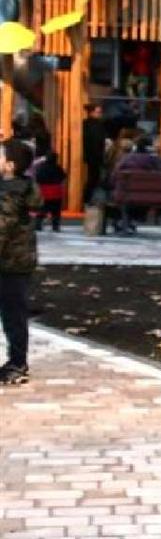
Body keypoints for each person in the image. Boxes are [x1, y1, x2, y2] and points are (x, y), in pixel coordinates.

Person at [0, 139, 42, 385]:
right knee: (12, 313)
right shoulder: (13, 189)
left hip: (11, 263)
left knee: (13, 314)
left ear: (10, 165)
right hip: (15, 262)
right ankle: (16, 361)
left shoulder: (10, 195)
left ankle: (18, 363)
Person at [115, 136, 161, 237]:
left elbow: (114, 175)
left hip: (127, 195)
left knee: (125, 201)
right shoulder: (156, 160)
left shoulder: (127, 158)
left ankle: (125, 224)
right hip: (153, 195)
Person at [33, 152, 67, 232]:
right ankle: (55, 226)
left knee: (42, 209)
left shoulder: (41, 167)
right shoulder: (58, 168)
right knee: (56, 211)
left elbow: (37, 178)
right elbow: (63, 177)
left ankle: (38, 225)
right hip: (56, 191)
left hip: (44, 191)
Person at [82, 103, 107, 205]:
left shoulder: (85, 124)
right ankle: (87, 198)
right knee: (93, 178)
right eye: (98, 112)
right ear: (91, 112)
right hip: (95, 156)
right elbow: (97, 142)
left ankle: (87, 199)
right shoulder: (97, 125)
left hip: (89, 155)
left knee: (92, 178)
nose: (100, 114)